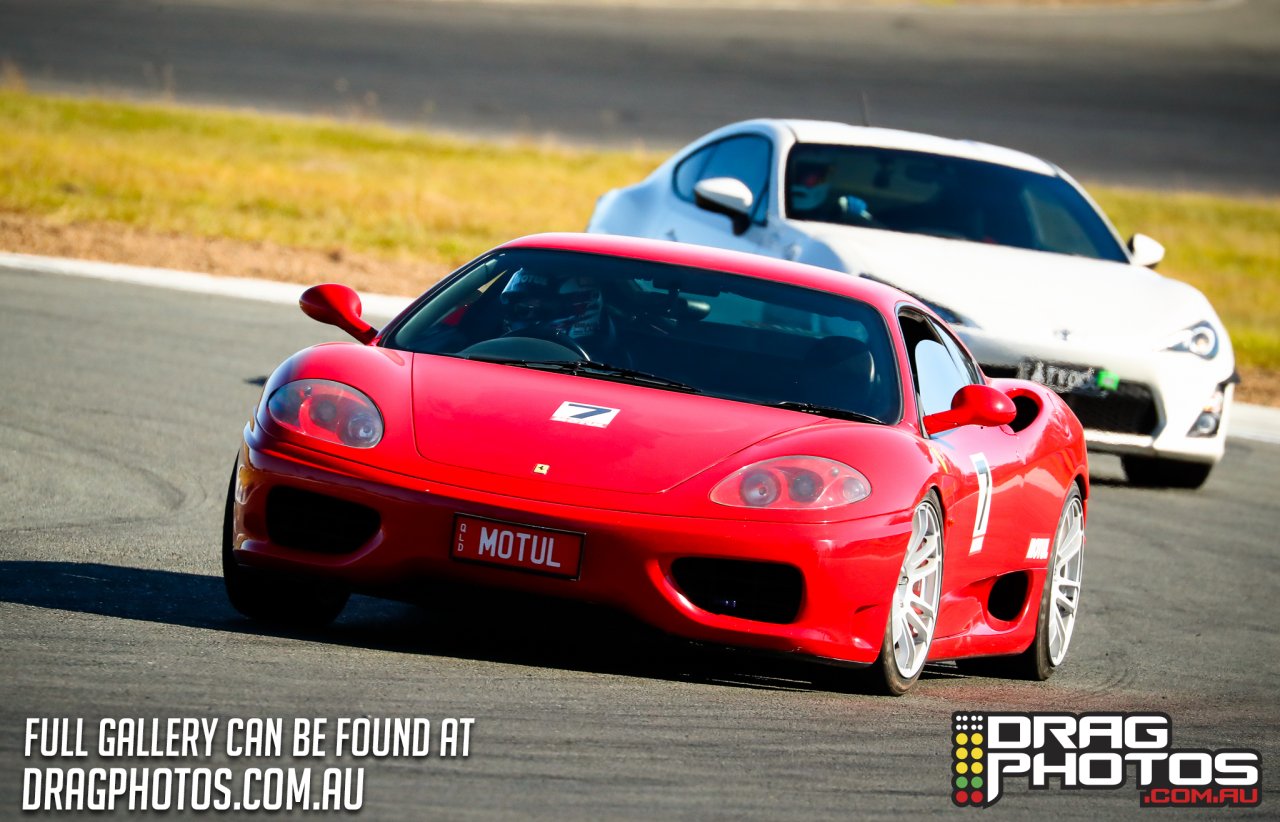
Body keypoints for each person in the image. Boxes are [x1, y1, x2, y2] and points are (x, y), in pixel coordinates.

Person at [498, 268, 623, 362]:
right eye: (521, 308)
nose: (526, 314)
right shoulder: (493, 350)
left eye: (544, 309)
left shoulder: (616, 364)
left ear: (581, 307)